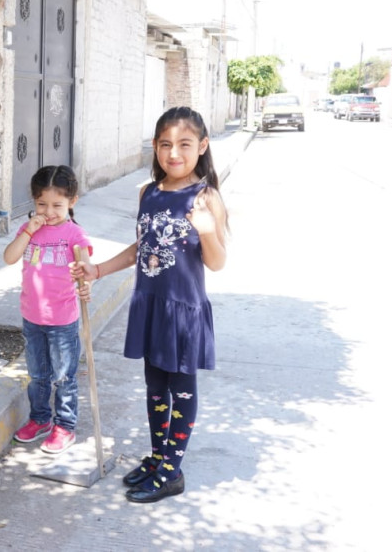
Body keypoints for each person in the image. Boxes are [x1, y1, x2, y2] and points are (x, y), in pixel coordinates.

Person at [73, 106, 227, 503]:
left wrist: (207, 232)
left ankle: (172, 471)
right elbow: (144, 247)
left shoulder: (205, 197)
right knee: (155, 388)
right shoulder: (148, 191)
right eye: (165, 144)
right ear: (155, 147)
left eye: (184, 144)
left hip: (183, 311)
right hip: (151, 304)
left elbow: (217, 261)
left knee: (183, 391)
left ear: (202, 146)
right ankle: (159, 457)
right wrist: (99, 270)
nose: (173, 153)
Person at [3, 165, 92, 455]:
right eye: (42, 204)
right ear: (33, 201)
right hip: (32, 316)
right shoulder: (30, 230)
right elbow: (9, 257)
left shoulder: (74, 234)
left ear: (72, 202)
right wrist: (29, 229)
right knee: (38, 374)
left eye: (57, 205)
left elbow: (86, 267)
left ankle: (65, 425)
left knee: (64, 376)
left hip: (63, 320)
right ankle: (40, 419)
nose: (49, 211)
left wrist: (86, 279)